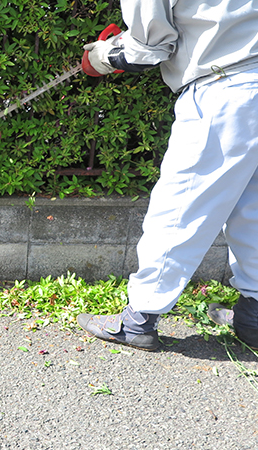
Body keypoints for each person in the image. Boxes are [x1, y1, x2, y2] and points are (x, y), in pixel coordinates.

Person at [77, 0, 258, 351]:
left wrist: (104, 55)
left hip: (225, 85)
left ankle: (138, 321)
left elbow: (148, 47)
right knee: (254, 210)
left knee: (179, 209)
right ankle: (254, 319)